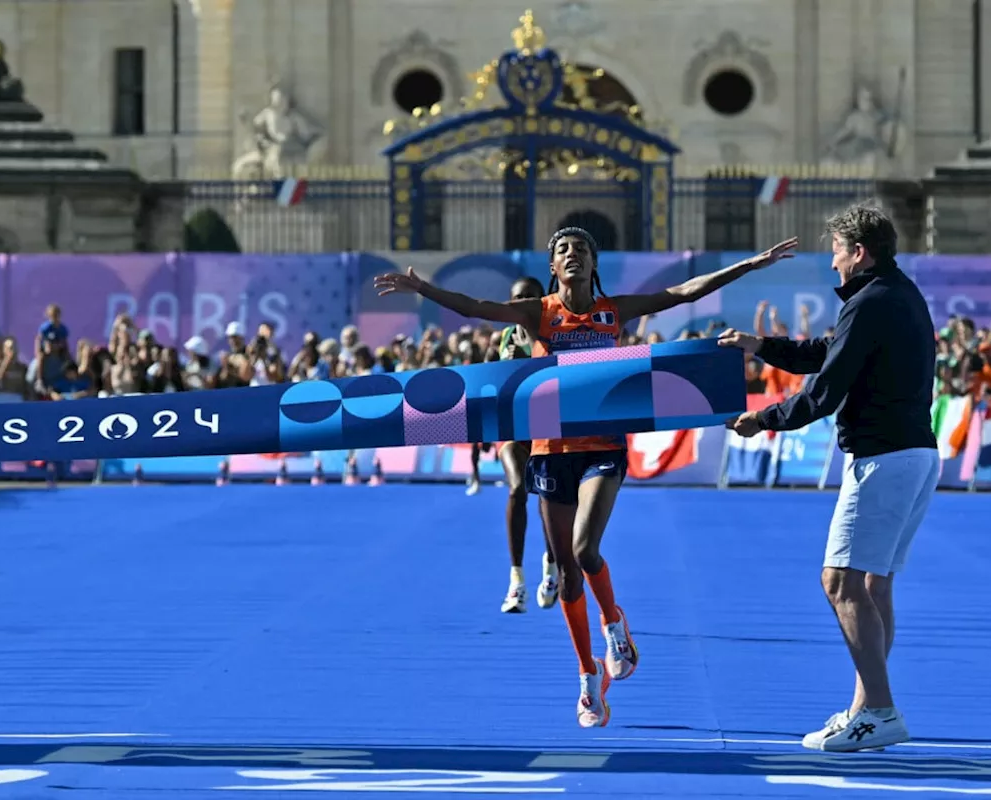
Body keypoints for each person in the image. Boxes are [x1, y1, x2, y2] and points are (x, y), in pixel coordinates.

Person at [377, 228, 798, 727]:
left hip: (603, 447)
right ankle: (587, 675)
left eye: (580, 249)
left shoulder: (613, 311)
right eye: (562, 251)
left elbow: (685, 292)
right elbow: (476, 307)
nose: (571, 255)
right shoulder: (539, 312)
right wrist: (424, 290)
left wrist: (748, 265)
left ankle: (614, 622)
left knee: (583, 550)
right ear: (553, 267)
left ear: (593, 262)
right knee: (566, 572)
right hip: (549, 451)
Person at [719, 205, 939, 752]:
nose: (833, 264)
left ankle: (881, 709)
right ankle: (867, 707)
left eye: (837, 252)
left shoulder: (870, 302)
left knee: (840, 582)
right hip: (912, 454)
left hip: (883, 458)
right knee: (871, 583)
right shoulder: (894, 294)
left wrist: (762, 418)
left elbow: (824, 393)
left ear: (859, 252)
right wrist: (760, 345)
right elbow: (826, 354)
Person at [490, 277, 560, 614]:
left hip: (545, 429)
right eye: (517, 298)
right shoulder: (501, 339)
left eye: (530, 297)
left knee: (548, 498)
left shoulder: (555, 335)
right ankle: (516, 581)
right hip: (511, 431)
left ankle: (551, 564)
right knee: (518, 489)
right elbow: (485, 388)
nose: (523, 303)